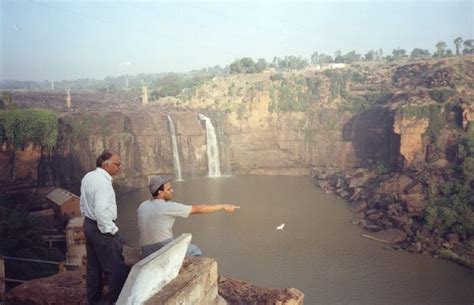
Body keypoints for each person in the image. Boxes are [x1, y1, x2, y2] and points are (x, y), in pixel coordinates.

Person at [137, 175, 240, 257]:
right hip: (161, 251)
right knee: (194, 250)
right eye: (169, 189)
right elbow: (199, 209)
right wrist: (223, 206)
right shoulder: (167, 207)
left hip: (145, 251)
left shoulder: (142, 205)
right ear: (160, 193)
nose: (172, 190)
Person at [80, 150, 128, 305]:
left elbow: (82, 202)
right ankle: (115, 301)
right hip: (101, 228)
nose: (119, 167)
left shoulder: (88, 177)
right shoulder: (102, 183)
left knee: (93, 267)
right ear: (106, 164)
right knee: (115, 268)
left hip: (89, 224)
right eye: (117, 163)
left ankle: (93, 300)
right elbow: (101, 211)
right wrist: (112, 231)